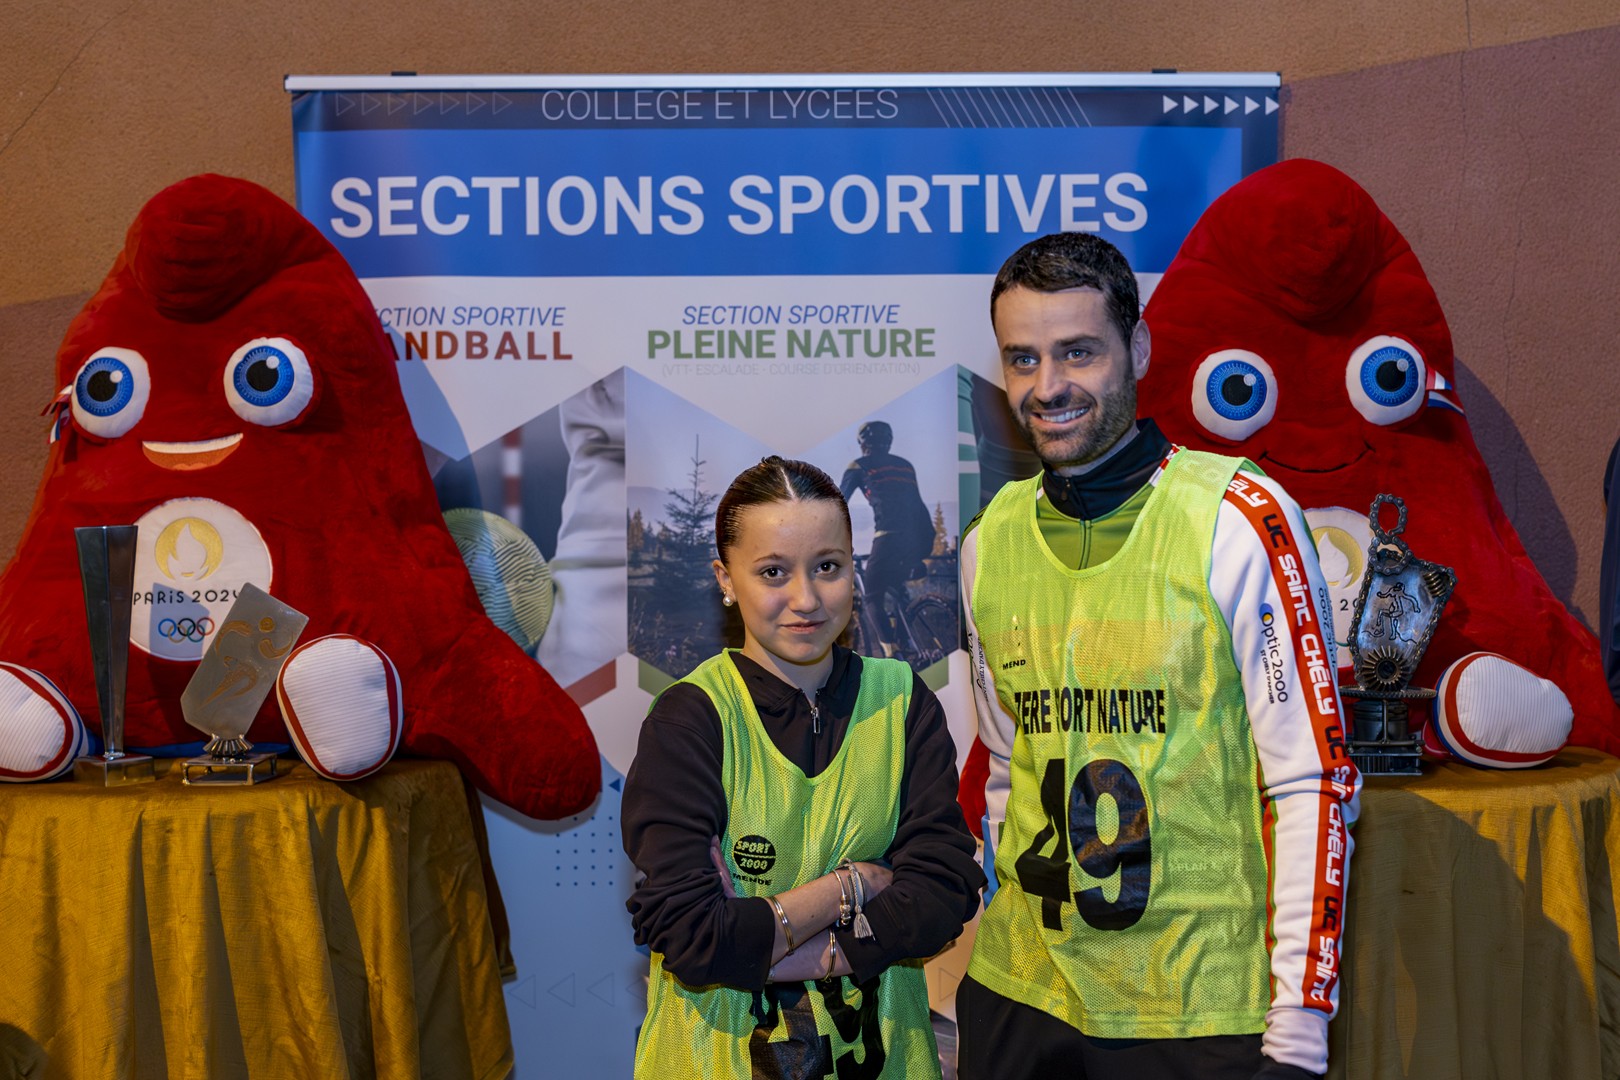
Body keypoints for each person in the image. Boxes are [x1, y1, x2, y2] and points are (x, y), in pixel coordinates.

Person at [956, 232, 1361, 1080]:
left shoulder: (1240, 519)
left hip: (1192, 1010)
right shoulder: (989, 539)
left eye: (1079, 352)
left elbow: (1312, 783)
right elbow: (1002, 765)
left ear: (1136, 349)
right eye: (1023, 359)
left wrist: (1298, 1032)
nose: (1048, 386)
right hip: (1020, 995)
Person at [623, 455, 983, 1078]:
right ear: (726, 578)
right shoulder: (690, 719)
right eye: (773, 572)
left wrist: (765, 941)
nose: (806, 599)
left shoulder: (902, 701)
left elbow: (943, 894)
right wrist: (856, 885)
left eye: (827, 567)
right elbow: (692, 935)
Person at [839, 421, 937, 657]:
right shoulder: (905, 465)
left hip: (888, 537)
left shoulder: (859, 465)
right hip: (920, 539)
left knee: (872, 596)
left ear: (863, 444)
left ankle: (892, 653)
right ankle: (908, 643)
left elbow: (836, 503)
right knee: (897, 588)